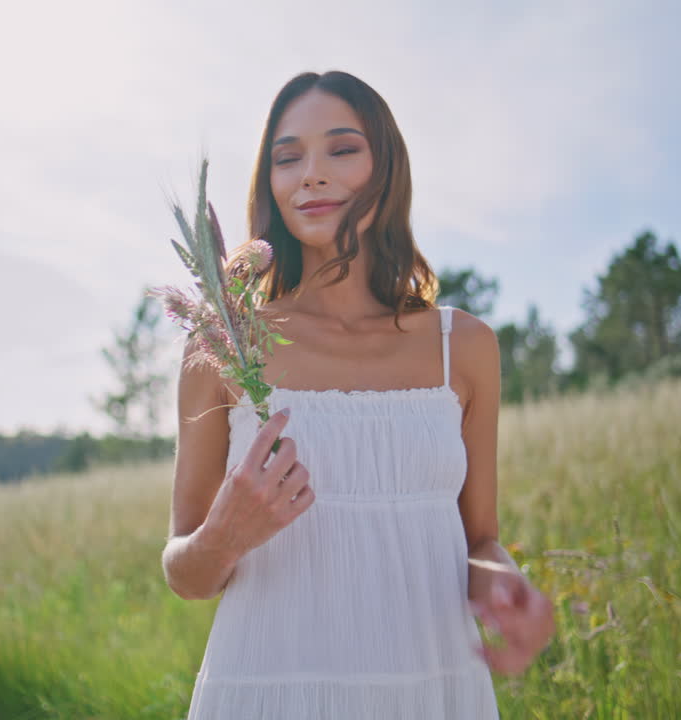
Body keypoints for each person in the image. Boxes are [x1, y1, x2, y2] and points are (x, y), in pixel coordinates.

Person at [161, 70, 555, 719]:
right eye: (289, 158)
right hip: (270, 691)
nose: (312, 174)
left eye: (342, 149)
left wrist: (505, 585)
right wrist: (222, 539)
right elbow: (185, 574)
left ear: (387, 167)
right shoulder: (224, 343)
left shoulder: (467, 347)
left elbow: (479, 540)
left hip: (433, 688)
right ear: (271, 184)